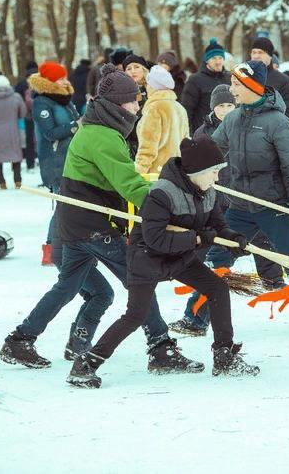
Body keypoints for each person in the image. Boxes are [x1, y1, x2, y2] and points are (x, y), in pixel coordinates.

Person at [0, 64, 199, 374]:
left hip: (75, 225)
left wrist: (168, 189)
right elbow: (129, 184)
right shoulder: (103, 137)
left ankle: (20, 339)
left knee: (67, 286)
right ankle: (161, 348)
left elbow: (128, 180)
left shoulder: (96, 130)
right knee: (140, 279)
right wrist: (168, 206)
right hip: (95, 227)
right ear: (116, 104)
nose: (137, 106)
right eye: (133, 101)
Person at [68, 137, 260, 388]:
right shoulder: (161, 194)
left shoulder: (207, 192)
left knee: (217, 288)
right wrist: (199, 238)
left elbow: (217, 225)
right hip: (146, 258)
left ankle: (224, 356)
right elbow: (155, 238)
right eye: (214, 172)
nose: (217, 178)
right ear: (196, 171)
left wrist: (233, 238)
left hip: (180, 257)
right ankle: (86, 365)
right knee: (136, 315)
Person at [215, 61, 289, 335]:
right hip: (240, 205)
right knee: (218, 254)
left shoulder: (277, 122)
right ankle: (195, 318)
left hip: (273, 206)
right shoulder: (232, 119)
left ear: (251, 87)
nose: (231, 90)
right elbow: (211, 150)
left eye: (235, 85)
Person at [169, 84, 282, 336]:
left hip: (248, 201)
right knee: (216, 262)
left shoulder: (245, 128)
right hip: (217, 206)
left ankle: (284, 289)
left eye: (230, 105)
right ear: (213, 108)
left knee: (270, 250)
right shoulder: (203, 134)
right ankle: (196, 318)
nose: (226, 110)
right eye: (221, 106)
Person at [28, 60, 80, 265]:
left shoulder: (64, 99)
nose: (64, 81)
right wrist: (76, 126)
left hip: (72, 158)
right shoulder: (42, 102)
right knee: (63, 205)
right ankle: (50, 248)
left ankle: (68, 247)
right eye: (60, 78)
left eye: (64, 77)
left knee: (71, 205)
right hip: (56, 161)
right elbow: (50, 133)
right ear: (49, 80)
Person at [134, 65, 189, 175]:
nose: (146, 87)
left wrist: (137, 174)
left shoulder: (155, 108)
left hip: (155, 174)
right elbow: (186, 144)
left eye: (148, 84)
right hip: (176, 172)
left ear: (154, 86)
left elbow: (148, 148)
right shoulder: (179, 108)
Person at [180, 39, 232, 134]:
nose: (218, 62)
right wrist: (191, 135)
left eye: (220, 58)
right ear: (207, 60)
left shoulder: (230, 78)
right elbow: (186, 111)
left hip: (228, 133)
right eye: (214, 58)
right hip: (203, 135)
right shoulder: (195, 80)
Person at [249, 37, 289, 119]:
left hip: (272, 129)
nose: (256, 56)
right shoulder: (243, 77)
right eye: (254, 52)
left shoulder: (283, 80)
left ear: (270, 56)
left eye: (261, 52)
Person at [14, 61, 39, 171]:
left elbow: (16, 99)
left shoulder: (21, 83)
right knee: (42, 138)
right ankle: (42, 160)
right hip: (42, 113)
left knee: (29, 139)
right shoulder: (42, 81)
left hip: (27, 115)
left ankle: (30, 163)